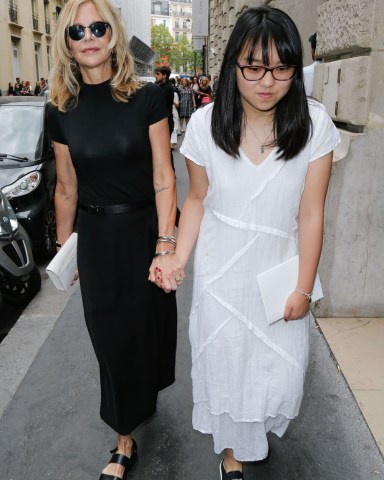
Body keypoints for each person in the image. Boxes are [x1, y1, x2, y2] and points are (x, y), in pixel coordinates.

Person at [151, 6, 340, 479]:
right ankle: (233, 455)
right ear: (234, 63)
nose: (267, 81)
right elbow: (196, 200)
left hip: (278, 268)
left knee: (279, 371)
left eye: (281, 67)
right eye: (253, 67)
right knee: (230, 365)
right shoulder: (204, 126)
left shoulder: (315, 126)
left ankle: (256, 435)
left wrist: (302, 286)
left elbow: (311, 212)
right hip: (222, 275)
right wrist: (176, 255)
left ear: (296, 69)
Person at [48, 1, 178, 479]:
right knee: (109, 338)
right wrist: (67, 248)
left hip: (143, 233)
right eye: (77, 30)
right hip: (98, 240)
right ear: (67, 42)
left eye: (98, 26)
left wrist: (166, 244)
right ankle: (124, 441)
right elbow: (66, 186)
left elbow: (165, 178)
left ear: (113, 34)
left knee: (146, 331)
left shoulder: (147, 99)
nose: (88, 36)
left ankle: (145, 394)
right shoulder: (60, 109)